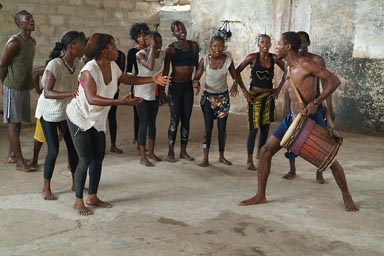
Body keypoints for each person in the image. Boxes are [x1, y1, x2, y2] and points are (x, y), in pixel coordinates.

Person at [239, 32, 358, 212]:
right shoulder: (287, 65)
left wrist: (316, 103)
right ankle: (260, 195)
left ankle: (347, 196)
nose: (275, 47)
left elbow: (334, 82)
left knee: (330, 159)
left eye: (278, 44)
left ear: (288, 47)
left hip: (310, 118)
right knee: (266, 151)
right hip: (292, 119)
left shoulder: (306, 64)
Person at [66, 33, 170, 215]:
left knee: (98, 157)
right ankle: (78, 201)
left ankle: (92, 196)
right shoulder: (89, 71)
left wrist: (152, 79)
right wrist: (122, 103)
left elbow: (128, 78)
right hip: (79, 117)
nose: (117, 50)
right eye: (113, 47)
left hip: (97, 118)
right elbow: (91, 99)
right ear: (104, 51)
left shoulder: (113, 66)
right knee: (85, 158)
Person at [35, 31, 85, 200]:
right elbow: (47, 92)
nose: (83, 47)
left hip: (66, 111)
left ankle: (75, 183)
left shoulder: (77, 63)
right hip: (49, 112)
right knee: (54, 149)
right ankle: (46, 188)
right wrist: (71, 92)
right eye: (81, 44)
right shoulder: (55, 64)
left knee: (73, 147)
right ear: (71, 46)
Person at [282, 31, 335, 184]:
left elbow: (327, 85)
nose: (300, 46)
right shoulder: (290, 62)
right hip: (297, 110)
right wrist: (287, 108)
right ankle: (292, 169)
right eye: (298, 42)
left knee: (321, 141)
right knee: (291, 140)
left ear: (308, 43)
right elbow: (289, 88)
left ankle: (320, 171)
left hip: (314, 106)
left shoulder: (316, 60)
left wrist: (328, 109)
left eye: (303, 42)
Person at [234, 34, 285, 170]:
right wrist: (244, 91)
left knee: (264, 128)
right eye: (262, 42)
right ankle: (249, 160)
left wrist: (278, 89)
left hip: (268, 97)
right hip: (254, 97)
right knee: (253, 129)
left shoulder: (274, 58)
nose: (265, 44)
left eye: (267, 42)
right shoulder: (252, 58)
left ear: (270, 44)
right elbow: (236, 71)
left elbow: (288, 70)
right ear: (258, 44)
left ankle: (260, 154)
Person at [193, 35, 243, 167]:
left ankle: (221, 156)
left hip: (223, 99)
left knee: (222, 128)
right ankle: (205, 158)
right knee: (208, 128)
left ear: (224, 47)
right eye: (215, 46)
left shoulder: (227, 60)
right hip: (208, 98)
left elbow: (235, 76)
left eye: (220, 46)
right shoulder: (204, 60)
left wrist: (234, 85)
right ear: (211, 47)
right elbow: (196, 77)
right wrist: (196, 84)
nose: (218, 49)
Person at [0, 10, 36, 171]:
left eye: (31, 18)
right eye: (27, 19)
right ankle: (21, 163)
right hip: (13, 87)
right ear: (20, 23)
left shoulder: (32, 42)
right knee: (13, 124)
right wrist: (3, 84)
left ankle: (13, 155)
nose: (31, 21)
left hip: (23, 86)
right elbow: (2, 65)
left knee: (18, 121)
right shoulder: (14, 42)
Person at [162, 20, 199, 162]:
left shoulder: (194, 46)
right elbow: (166, 70)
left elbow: (196, 66)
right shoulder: (171, 49)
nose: (181, 31)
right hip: (175, 87)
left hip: (187, 87)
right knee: (174, 120)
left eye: (182, 28)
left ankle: (183, 151)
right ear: (173, 34)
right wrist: (162, 91)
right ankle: (170, 152)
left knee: (186, 119)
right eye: (177, 30)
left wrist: (196, 80)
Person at [135, 31, 165, 166]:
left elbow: (161, 72)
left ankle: (151, 152)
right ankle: (142, 156)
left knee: (152, 123)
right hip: (141, 93)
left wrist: (163, 92)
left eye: (159, 42)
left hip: (154, 92)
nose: (158, 45)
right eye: (155, 42)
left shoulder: (162, 54)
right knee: (144, 123)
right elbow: (150, 66)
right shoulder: (140, 54)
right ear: (148, 42)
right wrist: (152, 48)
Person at [126, 22, 150, 151]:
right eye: (139, 36)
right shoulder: (132, 52)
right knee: (138, 114)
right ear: (135, 37)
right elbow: (128, 71)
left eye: (144, 36)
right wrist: (133, 75)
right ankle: (138, 139)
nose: (142, 39)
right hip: (137, 84)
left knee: (148, 114)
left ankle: (145, 138)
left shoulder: (151, 51)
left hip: (150, 84)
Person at [107, 49, 126, 154]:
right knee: (99, 117)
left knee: (112, 117)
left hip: (113, 91)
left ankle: (113, 145)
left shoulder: (120, 56)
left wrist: (114, 88)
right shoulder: (97, 61)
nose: (116, 51)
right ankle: (97, 145)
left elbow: (121, 77)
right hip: (101, 92)